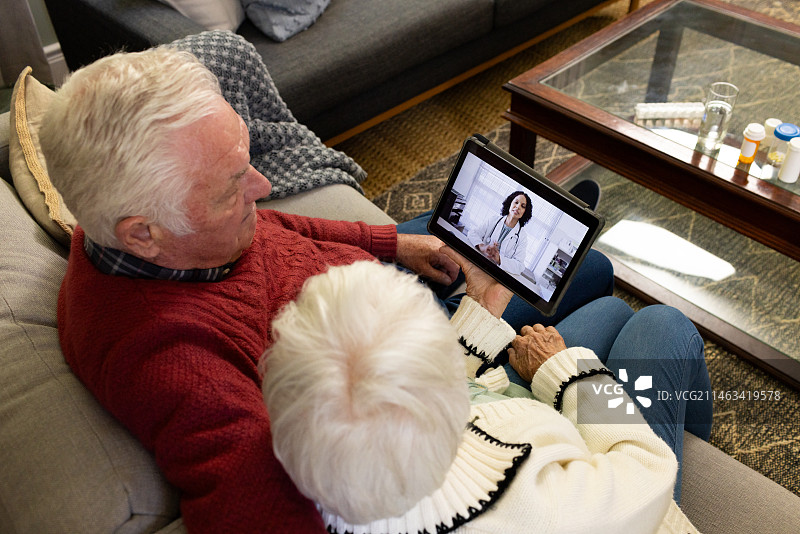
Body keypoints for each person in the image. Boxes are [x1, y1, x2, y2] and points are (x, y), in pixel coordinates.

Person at [38, 33, 614, 533]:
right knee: (601, 284)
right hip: (383, 351)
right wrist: (486, 323)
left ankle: (563, 217)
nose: (263, 187)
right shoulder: (175, 364)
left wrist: (392, 244)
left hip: (368, 285)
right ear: (143, 234)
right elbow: (262, 508)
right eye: (233, 183)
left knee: (568, 260)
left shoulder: (164, 234)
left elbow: (272, 229)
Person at [262, 257, 714, 533]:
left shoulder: (325, 442)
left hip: (524, 433)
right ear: (453, 416)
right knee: (662, 323)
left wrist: (479, 314)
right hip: (635, 498)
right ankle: (692, 446)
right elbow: (648, 466)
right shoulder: (543, 513)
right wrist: (564, 373)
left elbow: (386, 382)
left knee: (611, 311)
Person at [467, 190, 532, 274]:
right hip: (477, 263)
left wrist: (499, 259)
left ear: (524, 212)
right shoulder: (494, 220)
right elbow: (472, 233)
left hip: (496, 274)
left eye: (523, 206)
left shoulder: (522, 236)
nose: (518, 206)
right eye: (516, 202)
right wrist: (482, 246)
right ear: (510, 203)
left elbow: (519, 266)